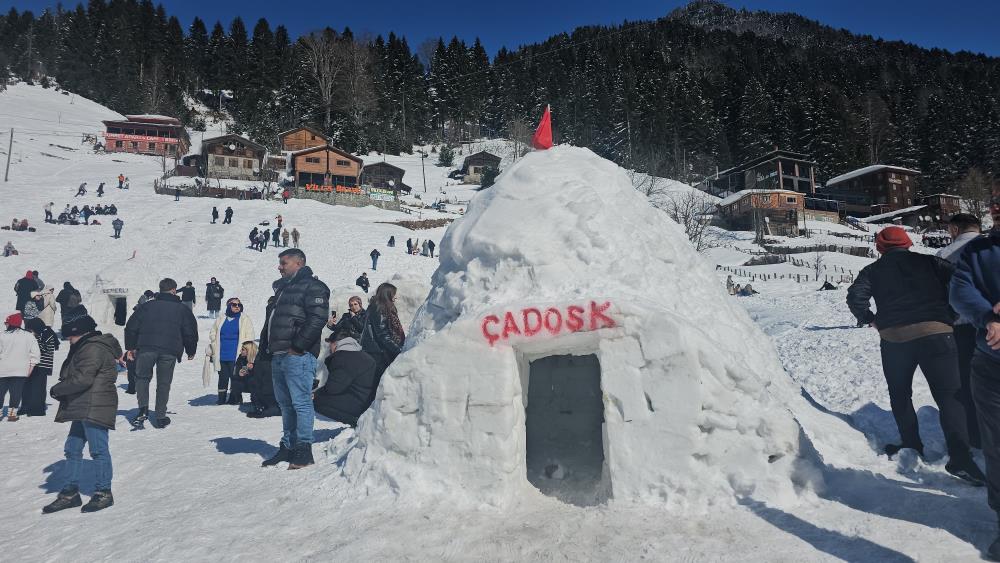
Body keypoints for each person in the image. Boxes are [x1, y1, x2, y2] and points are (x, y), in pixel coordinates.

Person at [847, 226, 983, 484]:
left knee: (901, 394)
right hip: (937, 333)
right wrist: (952, 315)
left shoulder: (872, 271)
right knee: (951, 396)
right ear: (908, 242)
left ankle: (911, 445)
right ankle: (961, 459)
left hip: (894, 338)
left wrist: (870, 320)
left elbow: (856, 297)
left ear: (880, 247)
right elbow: (961, 282)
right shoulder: (931, 262)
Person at [950, 196, 1000, 558]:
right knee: (996, 447)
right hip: (991, 363)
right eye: (995, 201)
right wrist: (988, 317)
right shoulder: (977, 251)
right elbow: (959, 291)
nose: (996, 207)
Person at [42, 315, 122, 514]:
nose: (69, 339)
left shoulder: (93, 348)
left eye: (71, 335)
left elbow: (83, 379)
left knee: (98, 450)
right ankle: (70, 493)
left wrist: (58, 389)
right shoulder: (86, 346)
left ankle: (104, 492)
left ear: (81, 333)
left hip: (95, 404)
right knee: (72, 447)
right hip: (84, 403)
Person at [260, 249, 329, 469]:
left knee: (300, 403)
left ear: (298, 263)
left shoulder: (313, 286)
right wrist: (265, 349)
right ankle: (288, 445)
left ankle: (304, 448)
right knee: (285, 404)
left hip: (297, 355)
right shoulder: (283, 289)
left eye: (284, 263)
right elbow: (271, 320)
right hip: (279, 354)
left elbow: (318, 318)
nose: (279, 267)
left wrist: (298, 347)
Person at [124, 278, 198, 429]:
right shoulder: (182, 309)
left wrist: (131, 347)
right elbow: (190, 331)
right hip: (169, 350)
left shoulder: (146, 306)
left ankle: (142, 409)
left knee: (142, 378)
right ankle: (160, 416)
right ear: (173, 290)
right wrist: (191, 350)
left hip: (146, 348)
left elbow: (131, 326)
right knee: (163, 383)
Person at [938, 213, 984, 448]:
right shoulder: (991, 248)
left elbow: (939, 295)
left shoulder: (944, 255)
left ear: (955, 229)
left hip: (962, 328)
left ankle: (975, 435)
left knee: (967, 381)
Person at [313, 329, 377, 427]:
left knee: (317, 401)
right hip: (367, 400)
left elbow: (333, 388)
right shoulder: (359, 353)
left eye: (330, 344)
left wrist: (315, 394)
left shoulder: (342, 357)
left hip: (359, 405)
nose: (329, 348)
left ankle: (355, 421)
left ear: (335, 344)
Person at [360, 282, 405, 404]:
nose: (396, 297)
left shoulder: (382, 307)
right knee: (378, 385)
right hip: (378, 352)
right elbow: (383, 335)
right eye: (394, 294)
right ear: (387, 294)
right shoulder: (379, 308)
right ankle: (367, 416)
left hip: (380, 351)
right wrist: (399, 350)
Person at [204, 298, 255, 405]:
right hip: (221, 353)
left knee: (236, 377)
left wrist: (245, 351)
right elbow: (213, 332)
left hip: (237, 354)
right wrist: (214, 341)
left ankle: (235, 398)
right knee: (222, 377)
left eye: (239, 304)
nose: (237, 306)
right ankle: (221, 399)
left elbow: (250, 336)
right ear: (228, 306)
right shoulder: (221, 318)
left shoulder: (244, 319)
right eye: (234, 304)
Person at [0, 312, 41, 421]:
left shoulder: (2, 336)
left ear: (11, 323)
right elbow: (36, 354)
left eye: (6, 323)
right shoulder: (29, 336)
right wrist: (31, 367)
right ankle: (12, 414)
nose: (5, 325)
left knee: (0, 392)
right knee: (16, 393)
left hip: (2, 370)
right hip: (20, 370)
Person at [22, 317, 59, 416]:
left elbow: (42, 349)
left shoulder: (48, 334)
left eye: (31, 330)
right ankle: (25, 406)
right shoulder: (39, 334)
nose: (29, 332)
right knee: (27, 386)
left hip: (43, 365)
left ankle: (37, 409)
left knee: (38, 388)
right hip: (32, 364)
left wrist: (34, 338)